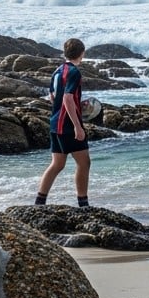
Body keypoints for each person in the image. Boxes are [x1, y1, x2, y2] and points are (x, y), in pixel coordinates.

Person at [35, 38, 91, 207]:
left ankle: (40, 202)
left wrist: (77, 104)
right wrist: (77, 126)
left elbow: (53, 97)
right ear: (82, 53)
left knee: (57, 164)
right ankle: (83, 204)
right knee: (84, 162)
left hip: (55, 123)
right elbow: (67, 98)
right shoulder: (74, 72)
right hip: (67, 125)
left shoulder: (57, 71)